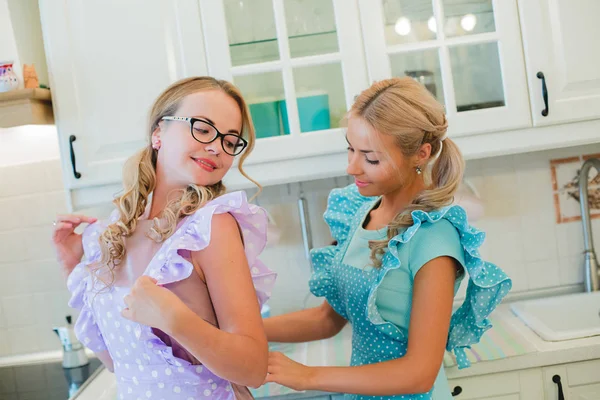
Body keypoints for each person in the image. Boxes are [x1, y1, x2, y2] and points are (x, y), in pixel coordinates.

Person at [262, 77, 511, 399]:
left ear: (420, 154)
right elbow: (328, 319)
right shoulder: (357, 212)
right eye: (350, 149)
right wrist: (242, 332)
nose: (352, 167)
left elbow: (419, 374)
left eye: (371, 158)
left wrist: (308, 376)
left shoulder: (433, 238)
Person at [52, 77, 276, 399]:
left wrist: (174, 318)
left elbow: (253, 369)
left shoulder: (210, 227)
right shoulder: (115, 231)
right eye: (202, 128)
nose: (217, 147)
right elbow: (117, 362)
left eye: (230, 140)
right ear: (159, 133)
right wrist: (71, 265)